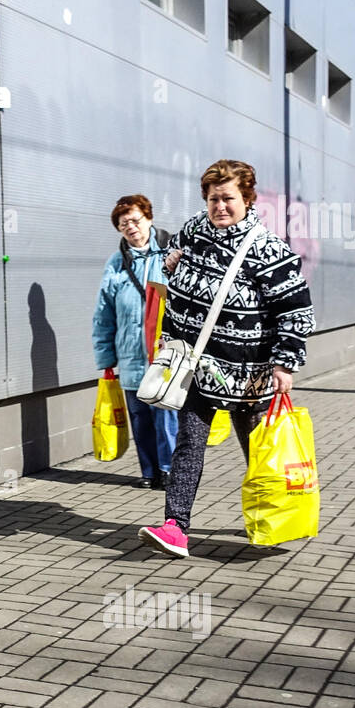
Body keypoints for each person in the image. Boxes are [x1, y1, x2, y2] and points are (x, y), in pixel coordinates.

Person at [139, 160, 314, 558]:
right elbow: (169, 255)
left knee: (259, 452)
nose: (220, 206)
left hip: (247, 372)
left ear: (247, 199)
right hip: (195, 367)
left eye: (228, 199)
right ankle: (175, 527)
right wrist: (169, 263)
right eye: (214, 198)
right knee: (188, 444)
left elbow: (296, 311)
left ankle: (276, 518)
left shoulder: (268, 250)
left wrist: (285, 364)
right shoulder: (193, 231)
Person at [92, 195, 178, 488]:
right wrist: (106, 360)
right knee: (140, 418)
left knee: (165, 416)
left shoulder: (170, 252)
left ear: (149, 219)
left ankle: (169, 469)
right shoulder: (116, 263)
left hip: (163, 353)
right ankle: (149, 471)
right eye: (123, 223)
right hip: (130, 354)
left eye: (135, 220)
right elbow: (104, 313)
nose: (130, 227)